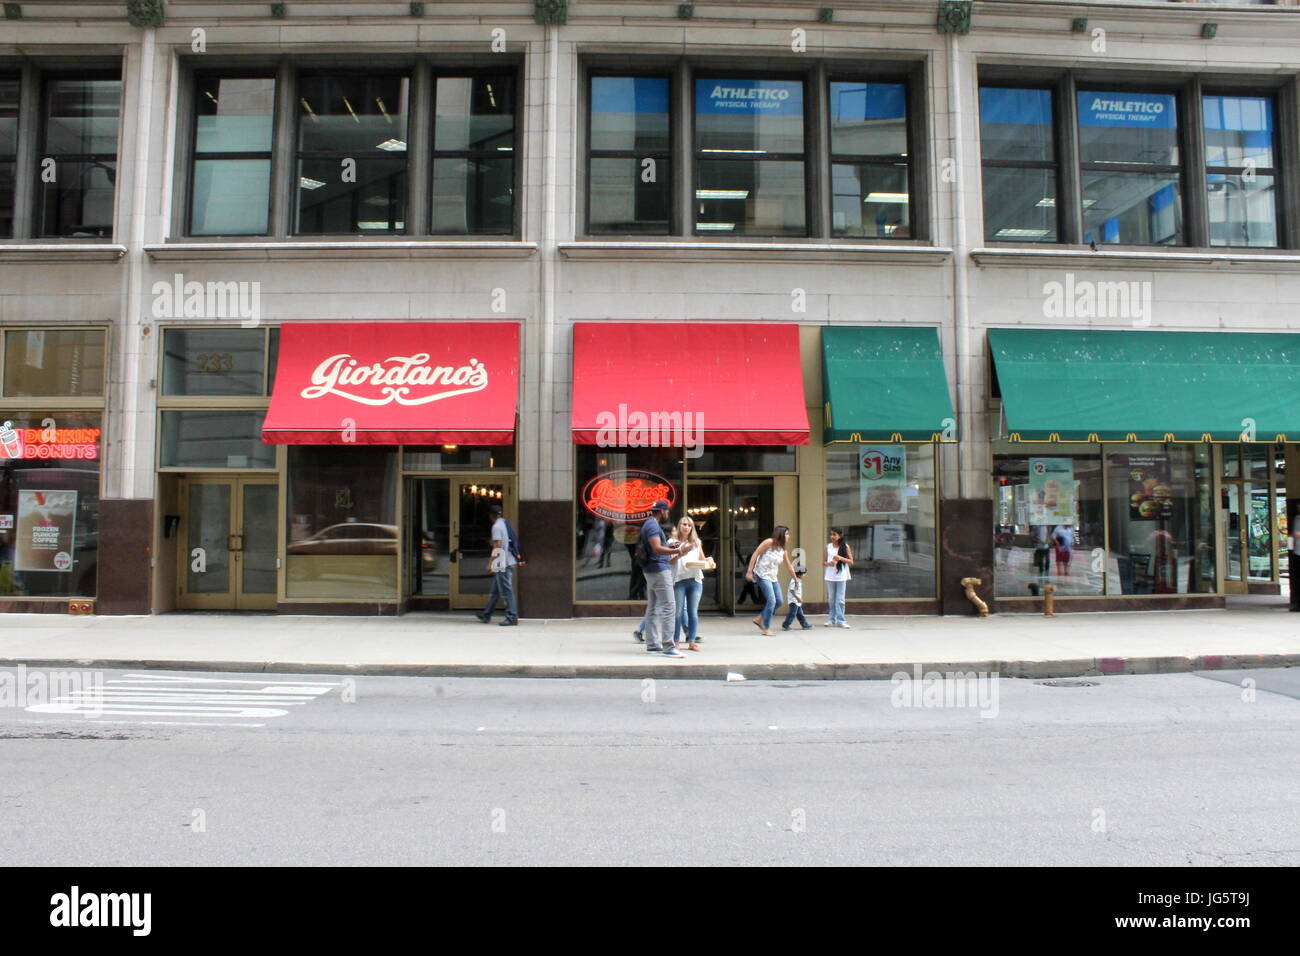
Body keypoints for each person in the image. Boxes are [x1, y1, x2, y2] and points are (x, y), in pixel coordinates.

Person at [639, 499, 685, 658]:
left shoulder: (650, 524)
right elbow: (657, 548)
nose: (668, 513)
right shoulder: (652, 525)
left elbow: (657, 546)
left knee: (653, 607)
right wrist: (677, 551)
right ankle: (668, 646)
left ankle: (652, 644)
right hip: (658, 569)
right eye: (667, 511)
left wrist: (670, 547)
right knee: (669, 606)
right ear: (662, 511)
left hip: (651, 569)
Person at [746, 525, 798, 636]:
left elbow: (789, 565)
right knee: (772, 600)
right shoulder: (769, 542)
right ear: (781, 534)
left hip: (773, 577)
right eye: (787, 534)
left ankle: (760, 618)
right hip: (762, 575)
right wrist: (749, 571)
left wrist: (795, 579)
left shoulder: (783, 549)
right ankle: (766, 627)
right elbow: (755, 554)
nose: (789, 536)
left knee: (779, 601)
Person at [670, 515, 709, 652]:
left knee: (693, 613)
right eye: (684, 524)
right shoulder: (673, 542)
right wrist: (681, 552)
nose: (686, 527)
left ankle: (692, 641)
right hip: (679, 580)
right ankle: (675, 641)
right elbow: (670, 561)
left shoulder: (696, 542)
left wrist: (709, 561)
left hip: (695, 579)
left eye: (689, 525)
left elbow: (703, 560)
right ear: (679, 526)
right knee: (678, 613)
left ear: (692, 528)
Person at [476, 505, 518, 626]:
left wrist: (490, 563)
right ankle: (487, 614)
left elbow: (497, 546)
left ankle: (512, 616)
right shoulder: (505, 523)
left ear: (491, 516)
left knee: (506, 590)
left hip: (502, 562)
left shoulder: (496, 527)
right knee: (496, 590)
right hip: (509, 560)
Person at [823, 526, 853, 628]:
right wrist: (829, 564)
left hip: (841, 576)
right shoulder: (828, 546)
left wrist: (840, 558)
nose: (832, 536)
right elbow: (823, 562)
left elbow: (851, 561)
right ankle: (832, 619)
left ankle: (841, 620)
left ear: (840, 536)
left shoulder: (845, 547)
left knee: (840, 599)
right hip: (830, 576)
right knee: (831, 599)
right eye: (831, 534)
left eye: (834, 534)